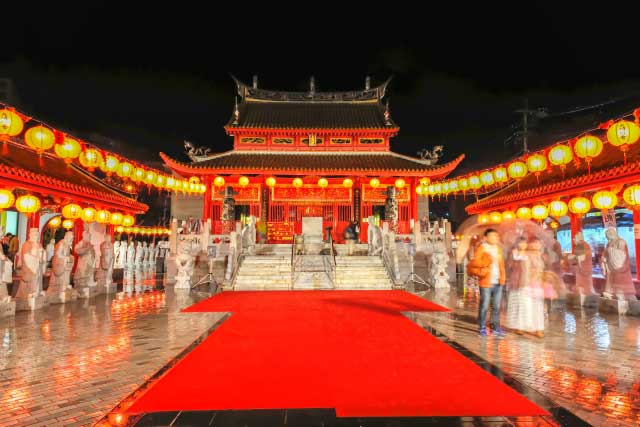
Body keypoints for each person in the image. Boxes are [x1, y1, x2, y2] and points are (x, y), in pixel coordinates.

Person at [467, 228, 506, 337]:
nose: (495, 238)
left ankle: (496, 327)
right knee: (484, 305)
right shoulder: (482, 248)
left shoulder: (499, 249)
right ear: (485, 238)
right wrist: (487, 261)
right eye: (492, 236)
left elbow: (501, 264)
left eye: (496, 236)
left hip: (498, 281)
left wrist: (503, 277)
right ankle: (482, 326)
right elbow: (475, 262)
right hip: (486, 281)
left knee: (497, 306)